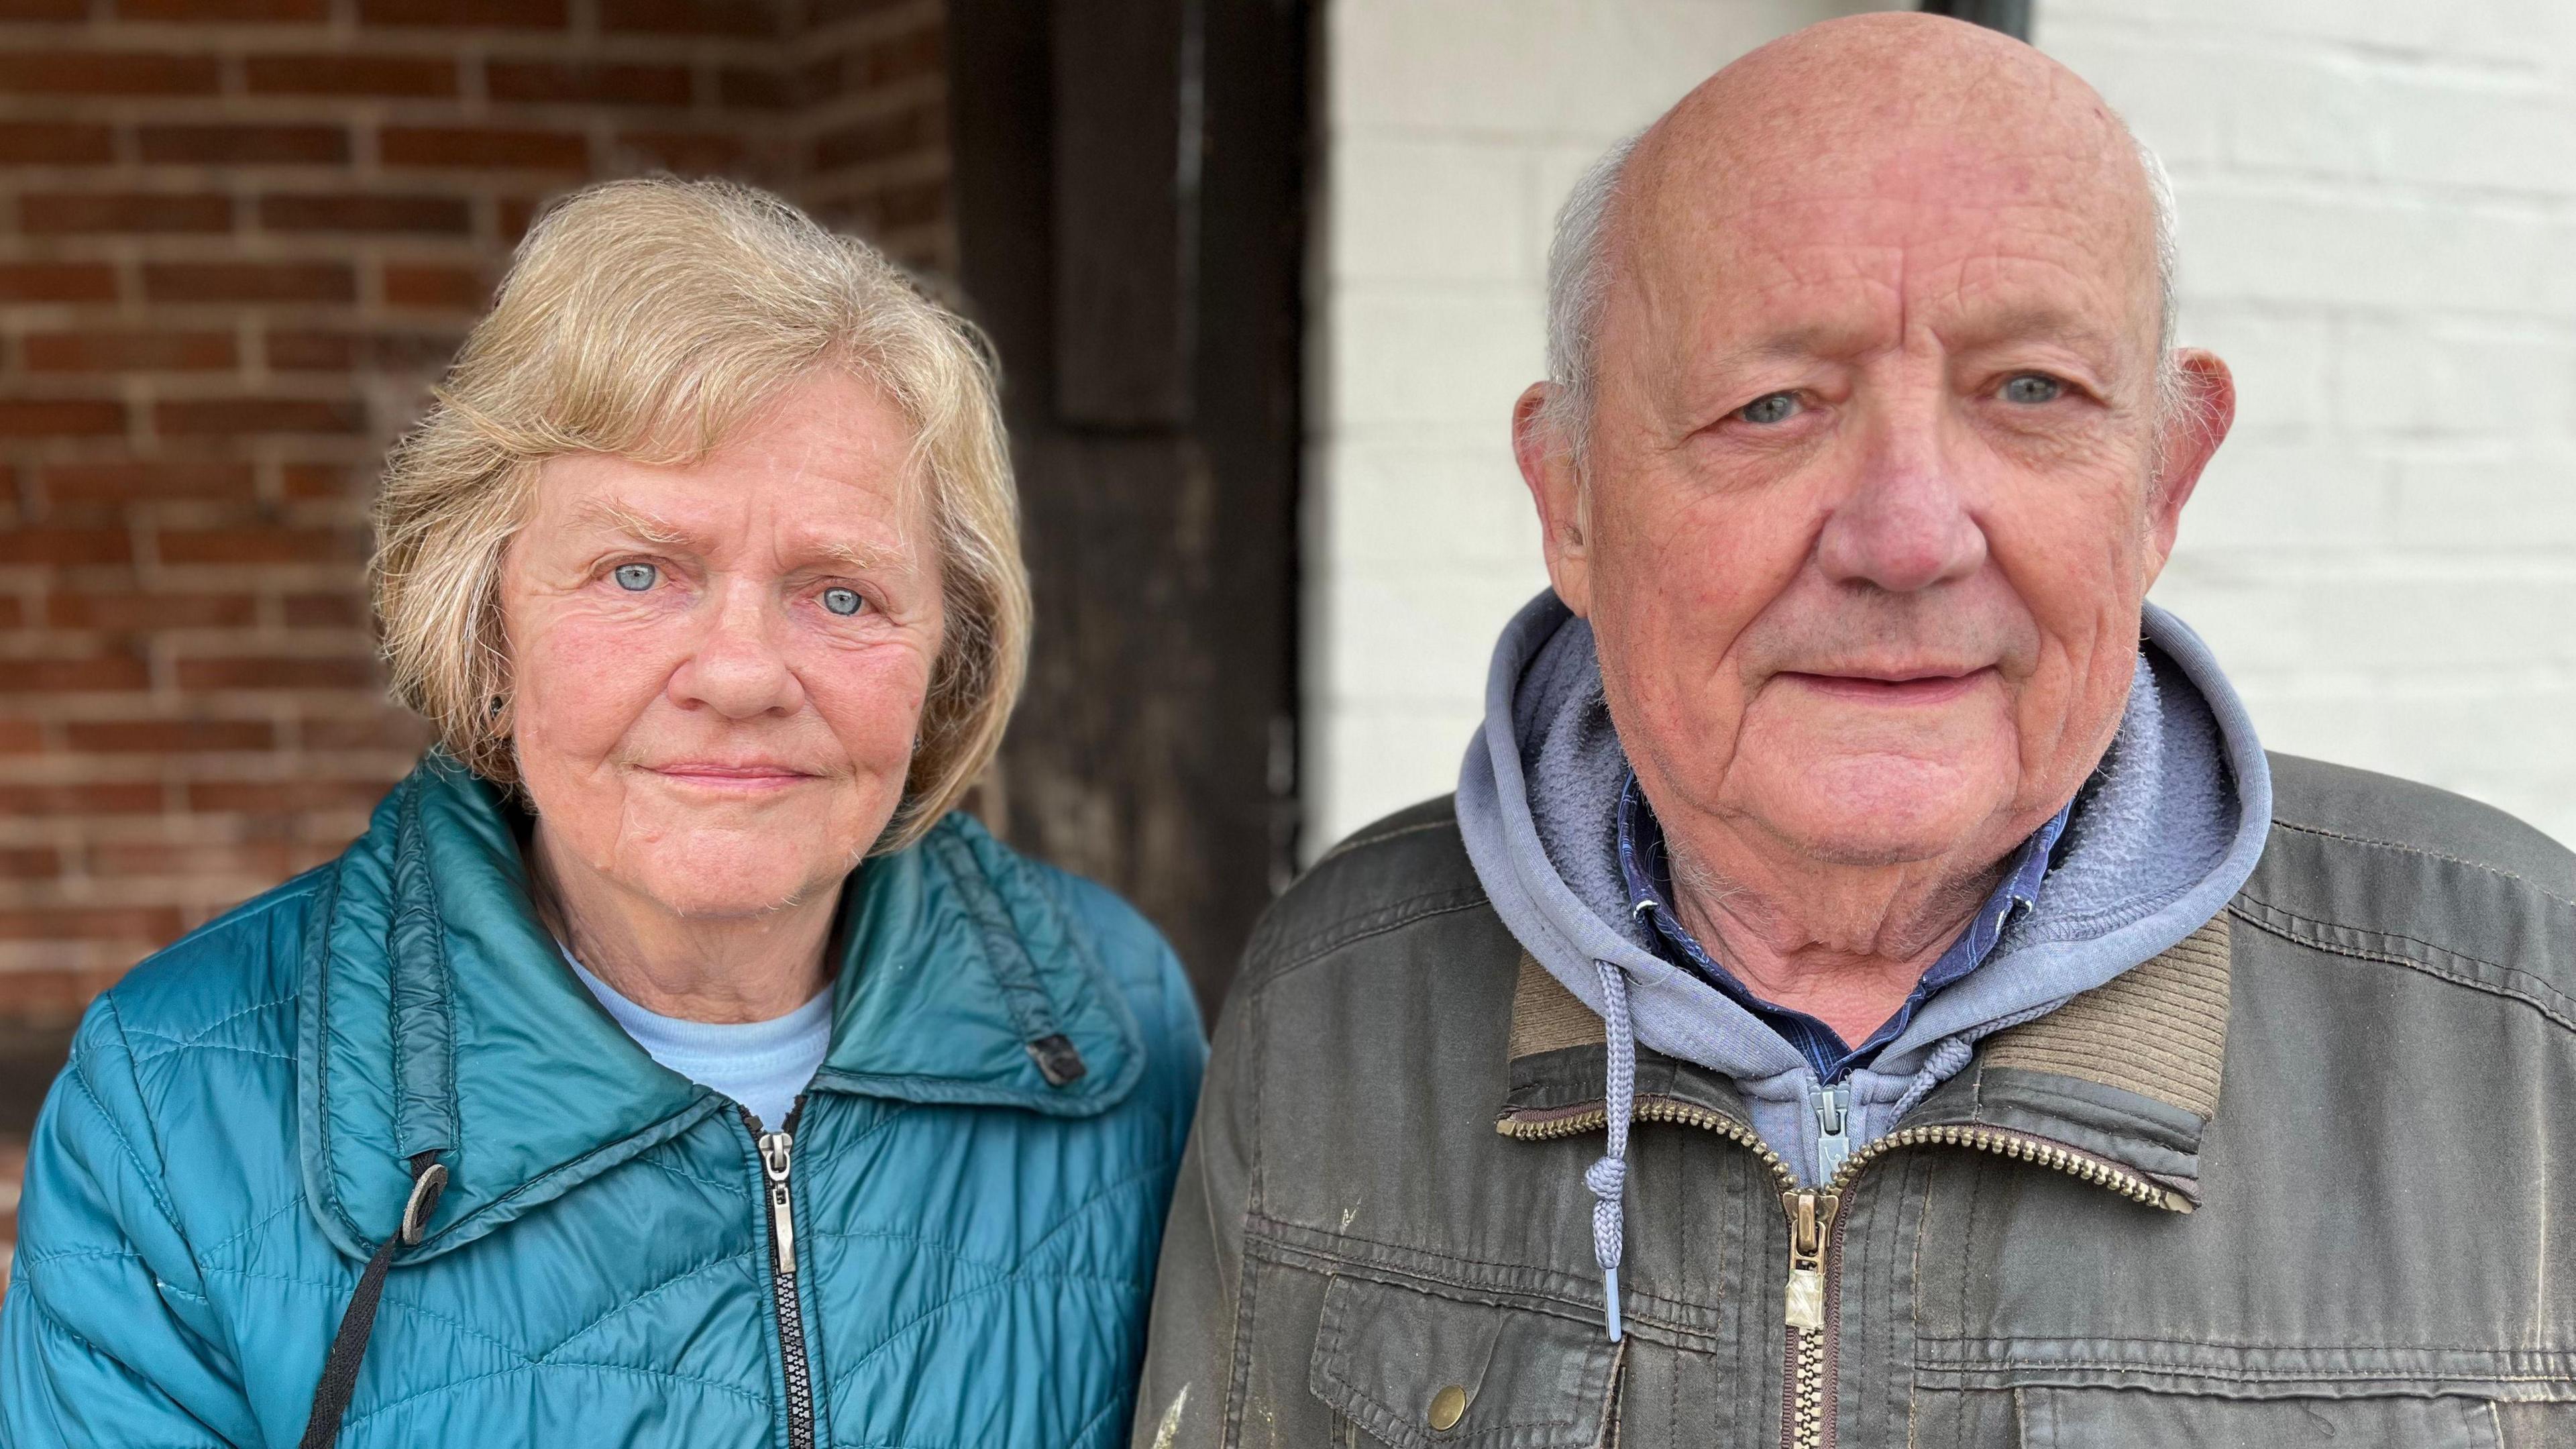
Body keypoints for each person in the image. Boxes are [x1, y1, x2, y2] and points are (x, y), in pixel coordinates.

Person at [1133, 14, 2576, 1449]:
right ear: (1570, 496)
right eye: (1771, 404)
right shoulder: (1335, 1005)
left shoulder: (2520, 1029)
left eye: (2031, 391)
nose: (1905, 536)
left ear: (2162, 483)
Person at [0, 177, 1204, 1448]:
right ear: (487, 620)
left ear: (946, 653)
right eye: (640, 572)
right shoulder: (181, 1101)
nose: (741, 674)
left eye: (841, 594)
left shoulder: (1116, 1018)